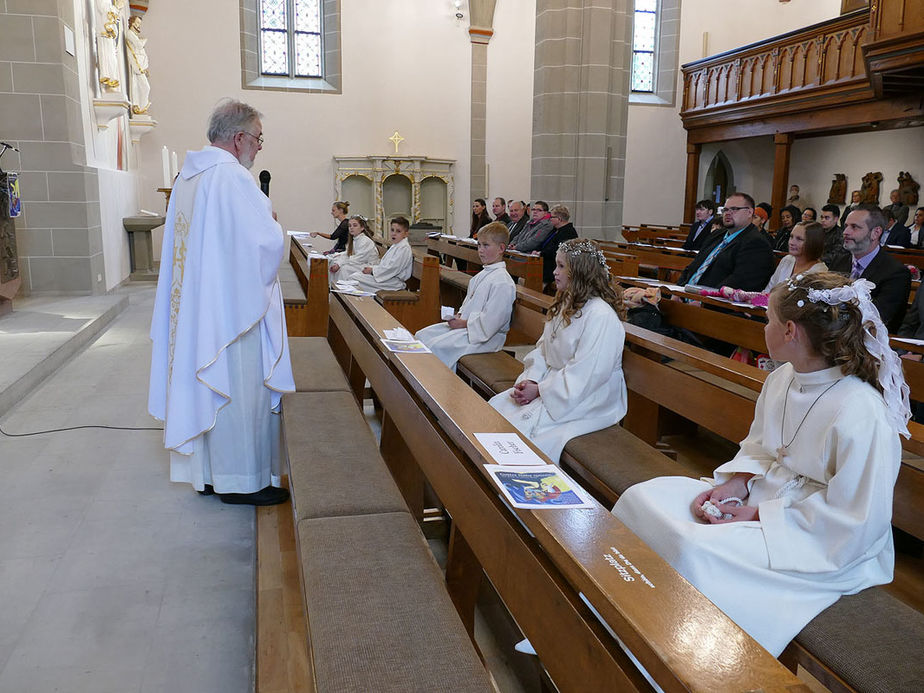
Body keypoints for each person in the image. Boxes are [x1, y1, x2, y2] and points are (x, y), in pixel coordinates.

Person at [612, 271, 910, 657]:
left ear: (790, 331)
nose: (762, 326)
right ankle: (610, 622)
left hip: (819, 537)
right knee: (642, 500)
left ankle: (666, 658)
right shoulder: (784, 377)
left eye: (767, 319)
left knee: (690, 548)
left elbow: (859, 518)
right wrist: (734, 484)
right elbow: (761, 445)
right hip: (762, 494)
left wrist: (758, 517)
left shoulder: (862, 410)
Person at [148, 98, 294, 506]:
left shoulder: (189, 177)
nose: (259, 147)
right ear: (239, 137)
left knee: (208, 389)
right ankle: (242, 481)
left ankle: (211, 476)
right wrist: (274, 226)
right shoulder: (230, 177)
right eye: (258, 139)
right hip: (232, 315)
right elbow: (261, 243)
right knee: (239, 393)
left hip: (201, 309)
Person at [489, 239, 627, 462]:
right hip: (556, 383)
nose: (555, 272)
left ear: (580, 272)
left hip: (587, 395)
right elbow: (544, 348)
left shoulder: (600, 316)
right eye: (556, 265)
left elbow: (588, 373)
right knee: (499, 407)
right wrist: (532, 380)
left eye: (562, 266)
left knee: (527, 435)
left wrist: (541, 390)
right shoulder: (566, 303)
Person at [415, 222, 516, 370]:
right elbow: (469, 304)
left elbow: (491, 323)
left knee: (435, 347)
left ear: (501, 248)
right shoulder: (483, 275)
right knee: (422, 335)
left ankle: (437, 390)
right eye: (479, 245)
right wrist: (459, 316)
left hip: (486, 339)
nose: (480, 250)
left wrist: (463, 323)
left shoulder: (503, 283)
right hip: (469, 329)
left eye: (486, 245)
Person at [830, 205, 911, 332]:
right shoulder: (839, 261)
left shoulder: (896, 273)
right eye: (846, 226)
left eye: (854, 227)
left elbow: (878, 318)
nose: (845, 232)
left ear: (875, 233)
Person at [678, 192, 774, 291]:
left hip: (710, 302)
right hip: (688, 294)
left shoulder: (756, 243)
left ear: (749, 212)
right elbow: (693, 265)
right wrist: (679, 290)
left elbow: (739, 281)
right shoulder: (716, 235)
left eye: (734, 209)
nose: (727, 213)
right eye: (725, 209)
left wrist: (704, 300)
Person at [353, 216, 413, 292]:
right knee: (356, 276)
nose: (394, 234)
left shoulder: (404, 248)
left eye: (398, 231)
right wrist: (372, 268)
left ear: (406, 234)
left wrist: (372, 271)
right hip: (386, 278)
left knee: (355, 279)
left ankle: (365, 302)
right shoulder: (396, 245)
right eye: (392, 230)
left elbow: (392, 268)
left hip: (393, 283)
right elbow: (385, 265)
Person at [763, 221, 827, 291]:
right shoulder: (787, 260)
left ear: (813, 243)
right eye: (791, 237)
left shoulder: (820, 272)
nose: (791, 242)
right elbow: (769, 290)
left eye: (799, 239)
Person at [535, 204, 578, 291]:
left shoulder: (568, 232)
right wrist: (538, 251)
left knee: (535, 283)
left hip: (555, 266)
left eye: (552, 217)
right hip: (545, 262)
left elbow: (558, 251)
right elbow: (544, 242)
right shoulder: (555, 230)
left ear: (559, 219)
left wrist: (541, 253)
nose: (549, 219)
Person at [328, 215, 378, 284]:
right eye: (349, 226)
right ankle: (331, 288)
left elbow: (359, 259)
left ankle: (342, 291)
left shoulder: (365, 240)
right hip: (359, 263)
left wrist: (339, 264)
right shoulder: (355, 239)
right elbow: (347, 253)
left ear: (362, 227)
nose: (351, 228)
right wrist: (338, 262)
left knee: (344, 269)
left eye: (355, 225)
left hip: (368, 266)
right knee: (334, 261)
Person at [125, 15, 151, 114]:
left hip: (139, 66)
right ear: (132, 22)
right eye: (137, 23)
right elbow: (139, 45)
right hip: (137, 66)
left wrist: (145, 67)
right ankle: (140, 109)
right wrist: (144, 40)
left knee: (142, 87)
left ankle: (140, 108)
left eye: (139, 23)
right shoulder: (130, 33)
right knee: (145, 87)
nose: (138, 25)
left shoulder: (134, 35)